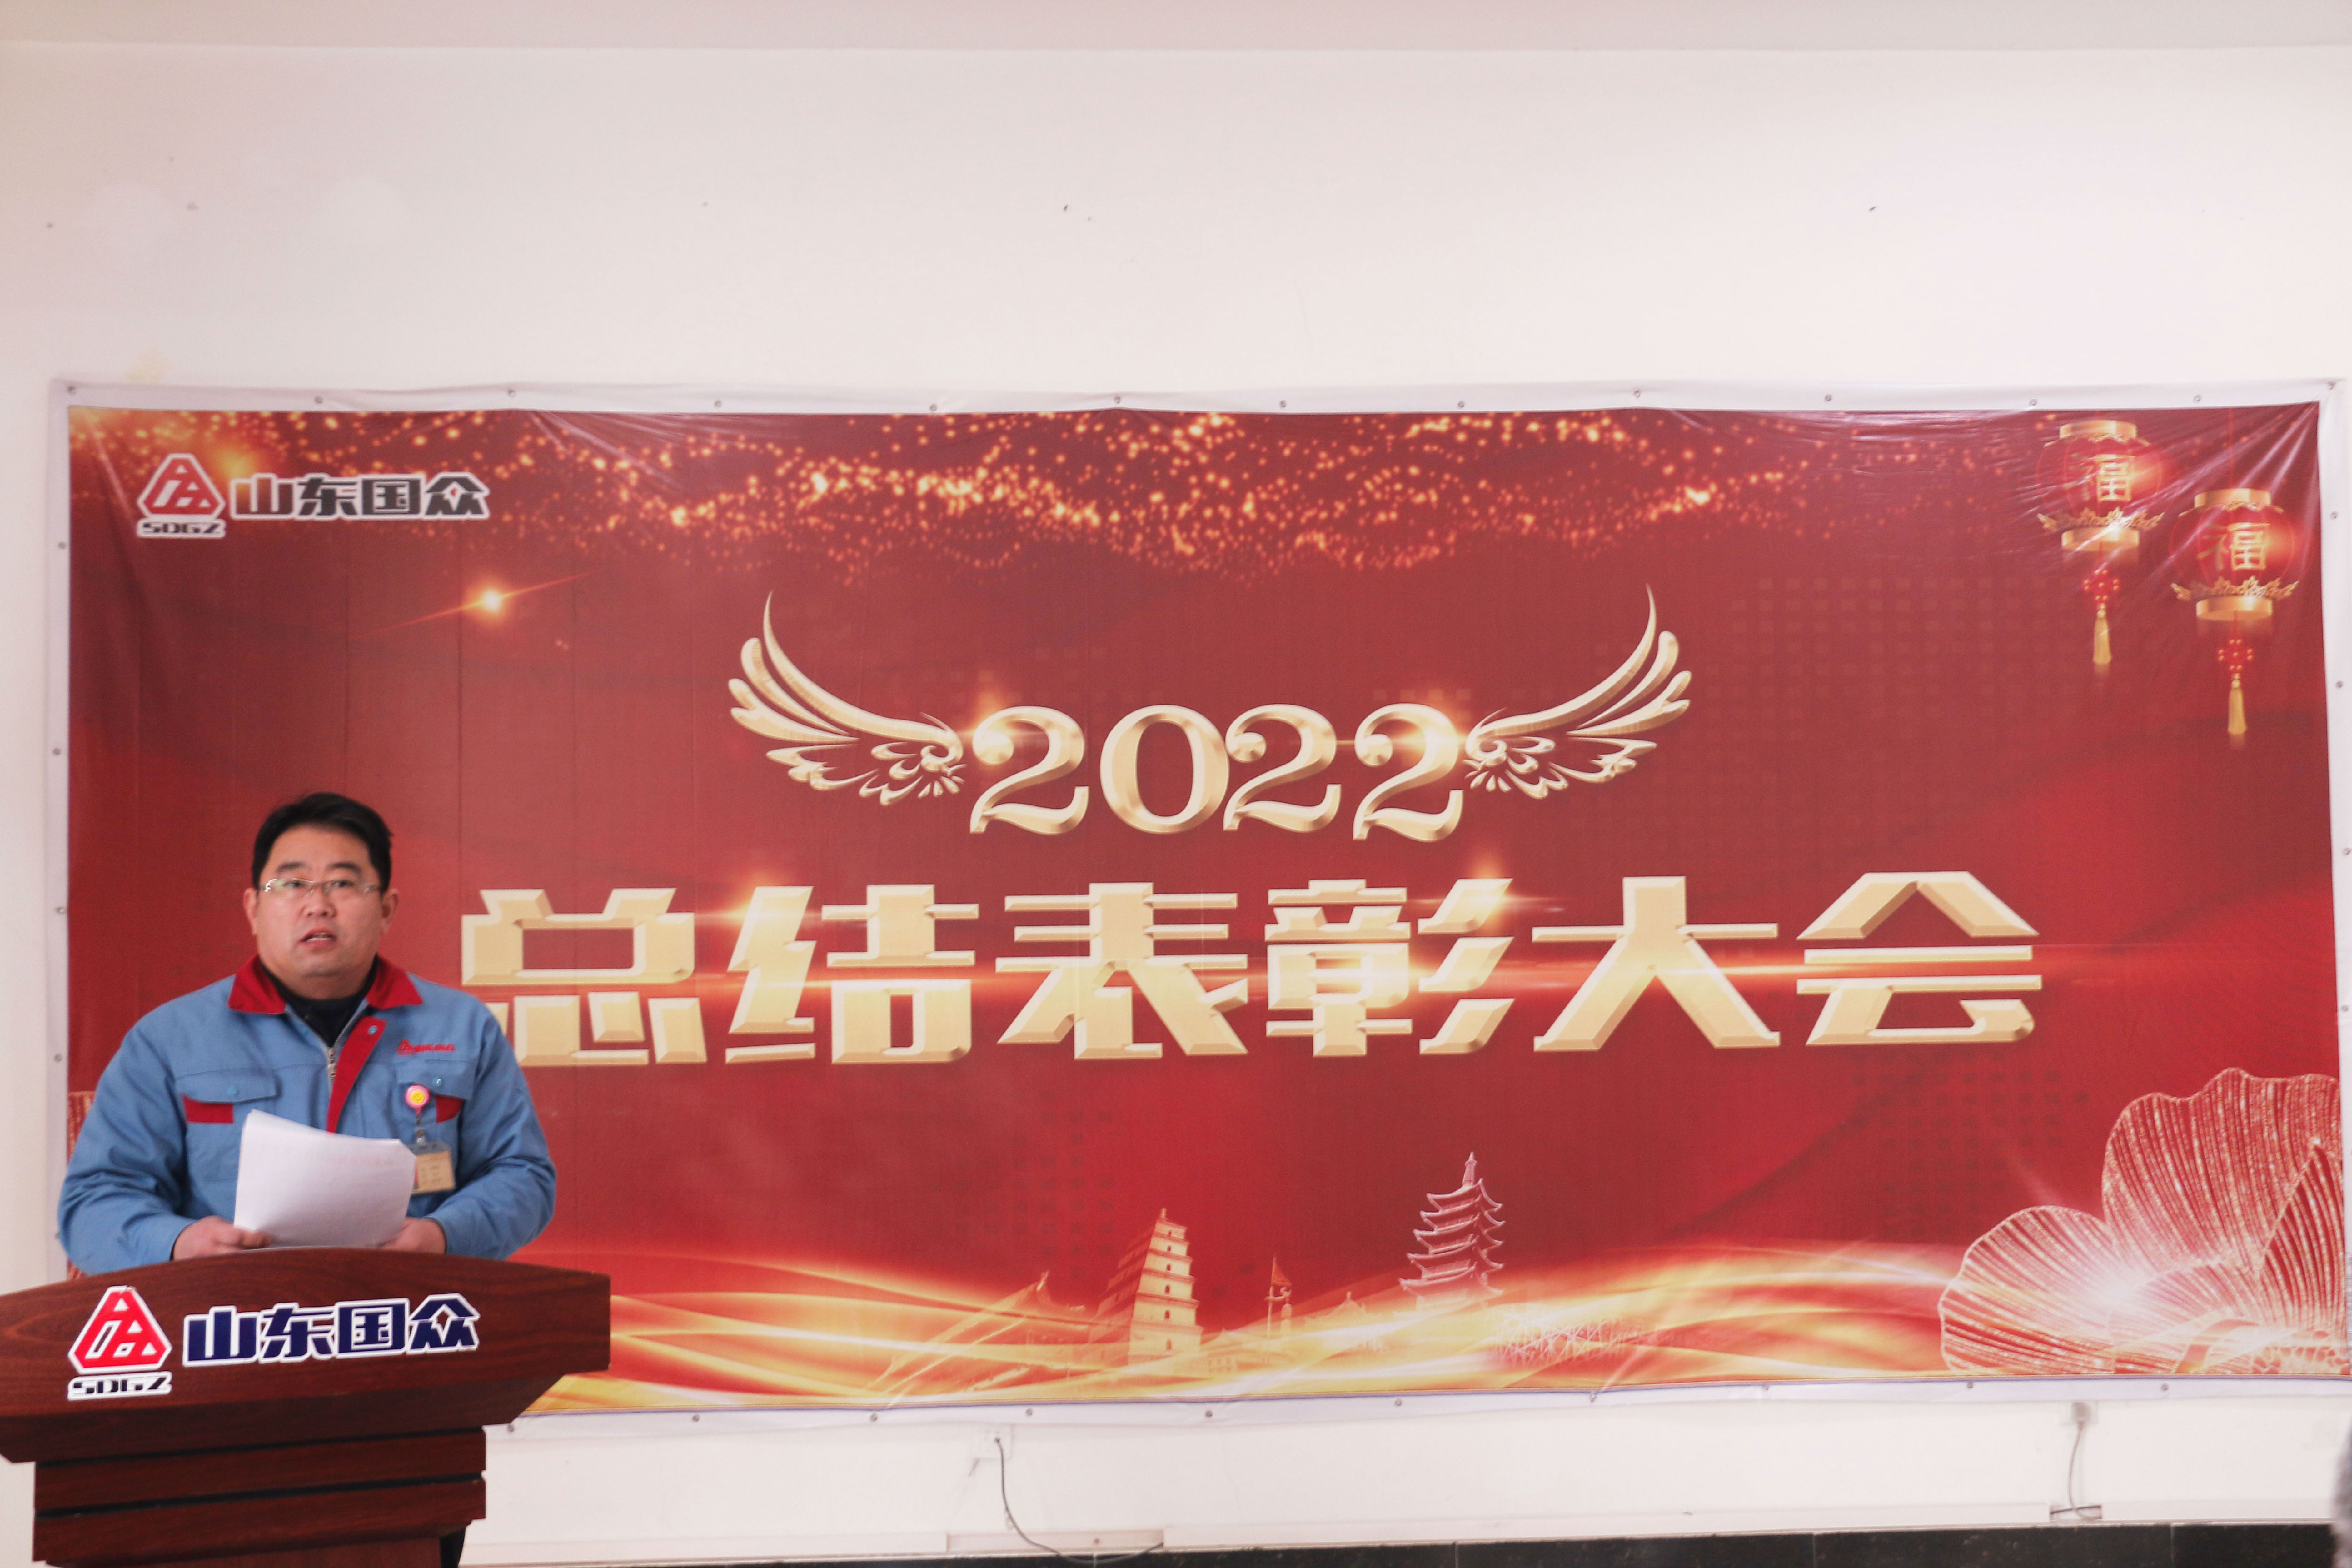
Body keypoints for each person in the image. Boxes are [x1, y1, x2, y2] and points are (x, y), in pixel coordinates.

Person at [60, 792, 555, 1272]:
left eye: (343, 883)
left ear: (386, 909)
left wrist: (445, 1235)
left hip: (410, 1310)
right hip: (235, 1314)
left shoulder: (461, 1027)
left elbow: (522, 1175)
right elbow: (92, 1203)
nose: (317, 905)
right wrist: (178, 1244)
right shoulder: (169, 1039)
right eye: (292, 884)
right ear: (253, 909)